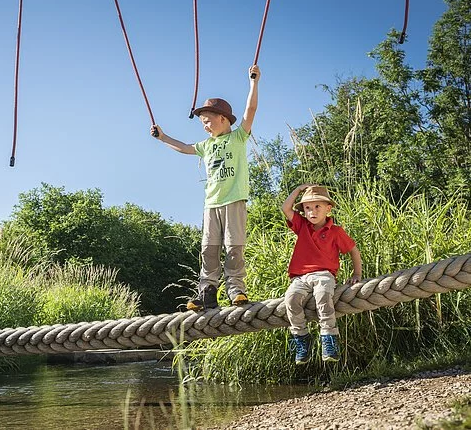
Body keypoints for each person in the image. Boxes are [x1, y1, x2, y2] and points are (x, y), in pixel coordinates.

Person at [151, 65, 261, 312]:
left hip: (234, 200)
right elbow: (184, 147)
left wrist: (254, 82)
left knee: (234, 246)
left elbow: (250, 110)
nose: (205, 126)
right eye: (202, 122)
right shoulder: (205, 145)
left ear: (223, 119)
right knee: (209, 249)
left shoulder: (238, 137)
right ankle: (207, 292)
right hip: (211, 203)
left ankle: (236, 290)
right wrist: (163, 138)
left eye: (208, 121)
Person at [281, 184, 363, 363]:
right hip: (301, 277)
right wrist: (298, 190)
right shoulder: (302, 226)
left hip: (324, 275)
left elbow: (353, 250)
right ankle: (302, 338)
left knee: (323, 296)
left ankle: (329, 338)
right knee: (291, 298)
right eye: (308, 208)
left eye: (317, 207)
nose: (312, 212)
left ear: (328, 208)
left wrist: (357, 273)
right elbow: (285, 208)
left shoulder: (335, 231)